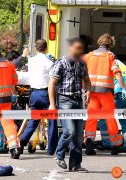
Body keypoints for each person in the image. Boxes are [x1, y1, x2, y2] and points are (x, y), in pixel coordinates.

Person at [48, 38, 91, 172]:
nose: (80, 51)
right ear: (71, 48)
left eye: (81, 48)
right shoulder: (61, 63)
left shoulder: (82, 64)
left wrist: (88, 90)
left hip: (78, 101)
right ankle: (59, 154)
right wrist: (52, 104)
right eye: (77, 48)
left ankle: (75, 164)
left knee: (78, 135)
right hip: (65, 100)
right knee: (69, 131)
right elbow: (52, 84)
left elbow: (87, 80)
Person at [84, 33, 125, 155]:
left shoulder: (89, 56)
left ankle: (89, 143)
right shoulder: (110, 56)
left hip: (91, 92)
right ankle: (115, 145)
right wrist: (123, 88)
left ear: (99, 42)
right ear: (110, 44)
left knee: (91, 118)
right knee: (110, 118)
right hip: (106, 92)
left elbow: (82, 72)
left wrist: (84, 89)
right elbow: (117, 72)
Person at [20, 39, 58, 155]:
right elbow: (53, 80)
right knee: (52, 122)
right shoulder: (49, 62)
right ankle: (52, 149)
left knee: (33, 121)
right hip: (46, 93)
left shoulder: (30, 61)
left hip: (34, 94)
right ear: (46, 49)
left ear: (36, 49)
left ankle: (21, 143)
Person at [98, 59, 126, 153]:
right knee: (125, 122)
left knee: (103, 118)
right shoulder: (122, 65)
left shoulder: (109, 63)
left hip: (118, 93)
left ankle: (107, 143)